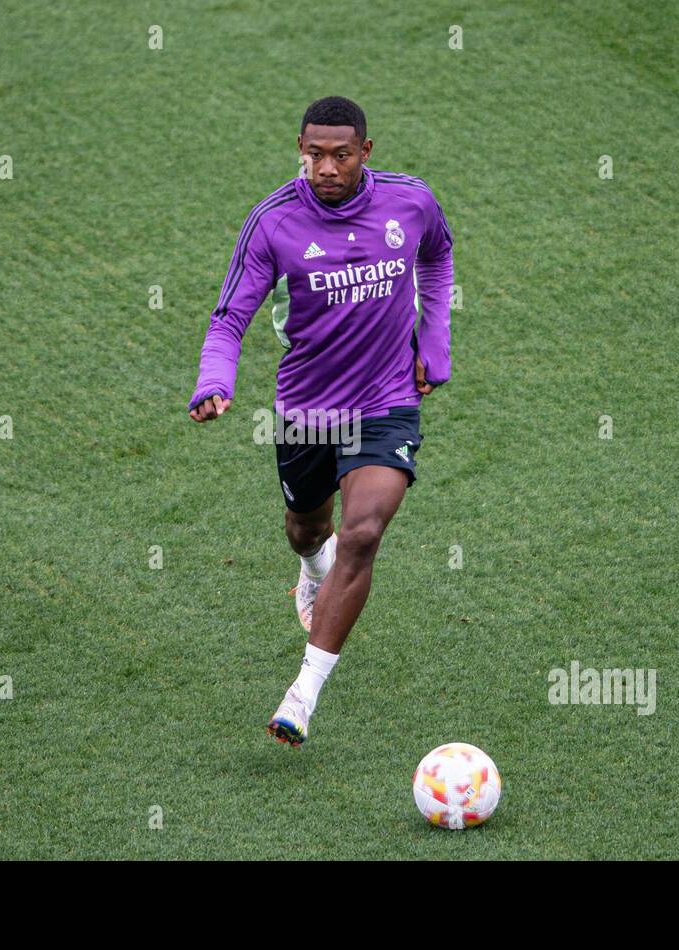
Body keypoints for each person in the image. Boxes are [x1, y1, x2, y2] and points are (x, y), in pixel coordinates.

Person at [188, 96, 454, 745]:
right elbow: (229, 318)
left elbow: (438, 257)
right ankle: (311, 570)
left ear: (366, 151)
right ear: (300, 150)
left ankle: (302, 693)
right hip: (307, 409)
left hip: (386, 401)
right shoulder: (274, 222)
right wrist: (214, 382)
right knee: (308, 527)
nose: (326, 167)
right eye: (314, 154)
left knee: (362, 533)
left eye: (340, 154)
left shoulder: (410, 202)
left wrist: (434, 341)